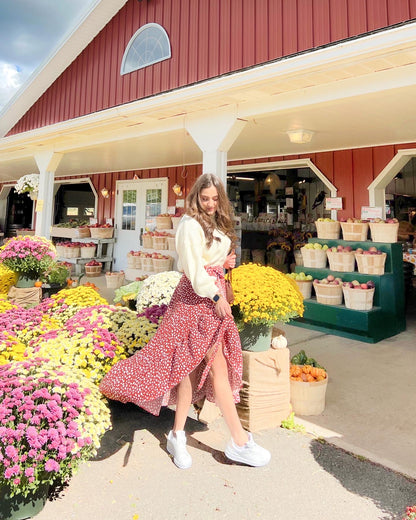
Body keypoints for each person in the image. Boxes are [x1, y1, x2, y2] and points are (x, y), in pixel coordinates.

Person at [99, 173, 270, 469]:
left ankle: (181, 435)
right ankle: (237, 442)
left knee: (196, 368)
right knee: (198, 365)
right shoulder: (189, 225)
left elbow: (208, 260)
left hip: (211, 297)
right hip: (196, 300)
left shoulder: (214, 222)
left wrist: (223, 264)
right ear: (195, 197)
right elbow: (193, 268)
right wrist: (217, 298)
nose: (210, 204)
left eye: (215, 199)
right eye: (205, 199)